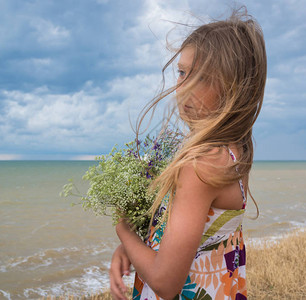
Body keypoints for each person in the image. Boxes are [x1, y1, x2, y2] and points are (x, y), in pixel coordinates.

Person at [109, 7, 266, 300]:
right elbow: (198, 238)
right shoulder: (233, 150)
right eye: (182, 72)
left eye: (203, 77)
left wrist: (123, 230)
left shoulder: (200, 165)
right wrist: (131, 248)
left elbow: (166, 283)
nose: (183, 88)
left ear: (235, 89)